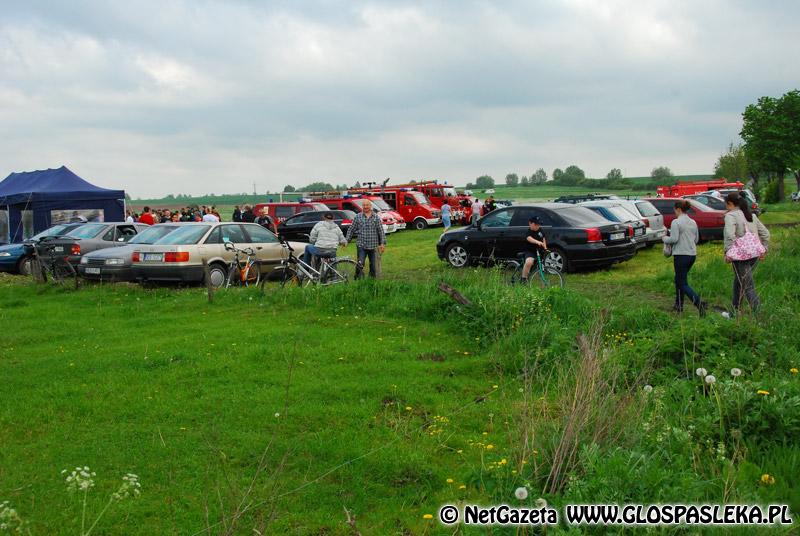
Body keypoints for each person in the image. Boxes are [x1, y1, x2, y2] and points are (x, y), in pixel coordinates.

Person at [723, 192, 770, 313]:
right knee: (739, 282)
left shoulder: (731, 216)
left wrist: (729, 252)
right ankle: (734, 311)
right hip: (754, 255)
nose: (726, 207)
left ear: (730, 204)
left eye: (726, 204)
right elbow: (765, 233)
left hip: (740, 257)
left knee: (748, 285)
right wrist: (764, 249)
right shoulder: (751, 216)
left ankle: (758, 314)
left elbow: (729, 235)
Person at [662, 200, 706, 316]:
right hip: (692, 255)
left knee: (682, 283)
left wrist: (664, 239)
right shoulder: (693, 222)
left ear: (678, 209)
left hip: (681, 255)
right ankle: (678, 305)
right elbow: (696, 240)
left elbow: (674, 239)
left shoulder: (676, 222)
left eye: (674, 210)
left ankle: (698, 303)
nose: (674, 212)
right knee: (680, 280)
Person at [346, 199, 386, 279]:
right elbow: (351, 229)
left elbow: (381, 231)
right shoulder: (358, 217)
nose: (365, 207)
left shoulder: (376, 217)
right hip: (361, 246)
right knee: (360, 264)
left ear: (370, 206)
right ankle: (357, 279)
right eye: (364, 205)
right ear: (362, 206)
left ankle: (371, 281)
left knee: (373, 266)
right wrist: (347, 240)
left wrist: (382, 243)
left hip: (374, 246)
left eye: (367, 205)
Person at [520, 217, 547, 282]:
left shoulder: (540, 230)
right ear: (530, 223)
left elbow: (543, 239)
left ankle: (542, 281)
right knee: (529, 262)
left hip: (539, 251)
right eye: (535, 224)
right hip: (530, 251)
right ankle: (523, 279)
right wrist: (537, 242)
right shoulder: (529, 231)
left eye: (538, 224)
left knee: (541, 265)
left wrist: (545, 247)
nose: (537, 226)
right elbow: (529, 238)